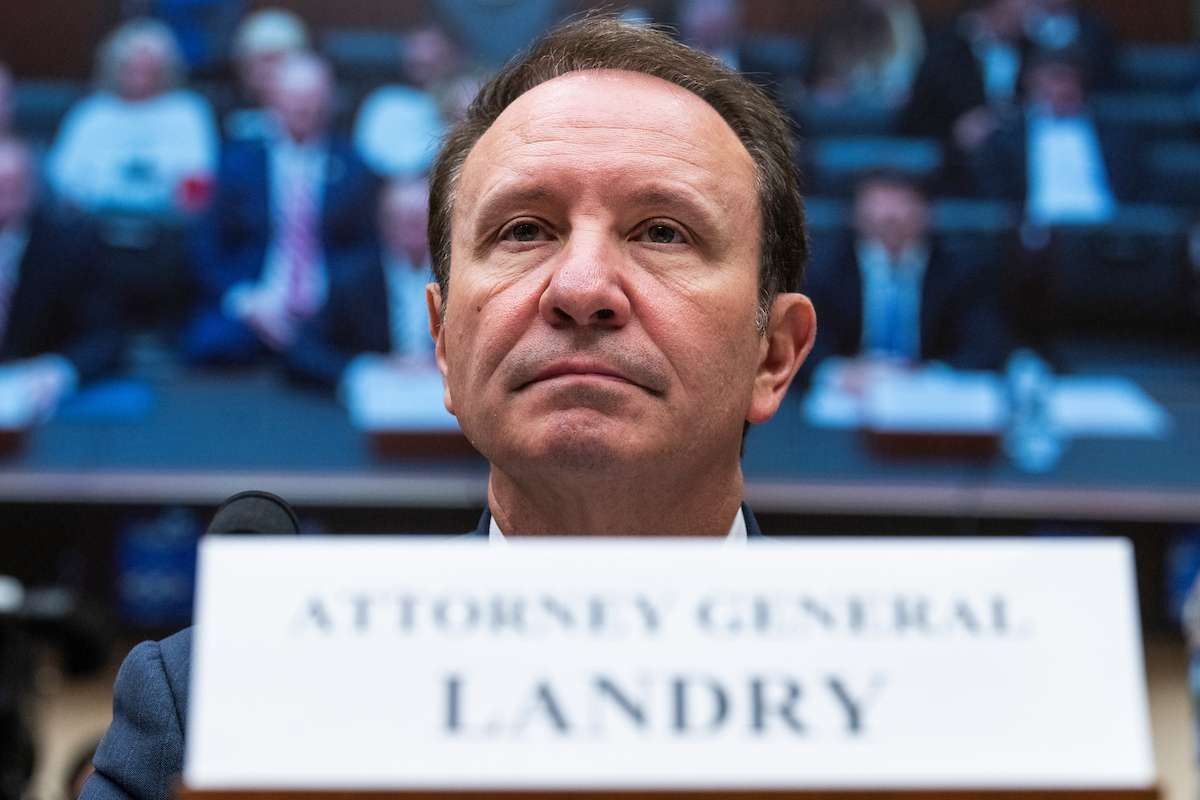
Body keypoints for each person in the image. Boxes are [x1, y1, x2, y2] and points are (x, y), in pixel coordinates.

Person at [81, 15, 816, 799]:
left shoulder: (932, 696)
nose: (580, 289)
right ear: (441, 343)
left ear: (773, 354)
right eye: (525, 229)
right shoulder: (217, 704)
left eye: (662, 232)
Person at [183, 53, 377, 365]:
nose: (302, 106)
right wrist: (246, 301)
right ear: (272, 101)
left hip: (326, 305)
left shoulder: (355, 168)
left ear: (329, 101)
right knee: (206, 346)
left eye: (311, 97)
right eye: (292, 96)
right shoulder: (238, 163)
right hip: (257, 298)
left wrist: (335, 298)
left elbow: (366, 248)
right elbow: (208, 245)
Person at [804, 169, 1011, 374]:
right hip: (851, 392)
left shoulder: (963, 271)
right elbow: (804, 346)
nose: (890, 215)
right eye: (879, 203)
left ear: (926, 213)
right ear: (855, 215)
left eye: (902, 202)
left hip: (932, 389)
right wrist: (841, 371)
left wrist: (926, 372)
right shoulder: (824, 270)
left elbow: (985, 346)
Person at [46, 18, 218, 217]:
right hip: (95, 225)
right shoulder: (92, 112)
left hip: (169, 227)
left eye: (148, 69)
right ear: (114, 67)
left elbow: (201, 175)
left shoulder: (187, 111)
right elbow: (62, 175)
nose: (139, 76)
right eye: (132, 68)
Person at [0, 138, 122, 418]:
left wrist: (59, 371)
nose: (3, 199)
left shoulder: (69, 245)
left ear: (32, 188)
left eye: (12, 187)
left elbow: (107, 337)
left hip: (31, 392)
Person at [285, 178, 436, 391]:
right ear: (384, 223)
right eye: (404, 221)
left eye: (422, 220)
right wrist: (366, 369)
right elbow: (302, 351)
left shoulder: (461, 274)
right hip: (378, 395)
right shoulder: (352, 280)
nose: (415, 231)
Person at [973, 48, 1137, 225]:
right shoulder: (1007, 138)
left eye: (1068, 79)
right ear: (1032, 84)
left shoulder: (1116, 135)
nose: (1062, 88)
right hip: (1033, 233)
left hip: (1108, 231)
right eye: (1053, 79)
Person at [901, 0, 1031, 186]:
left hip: (1015, 150)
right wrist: (955, 132)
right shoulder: (946, 48)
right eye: (1019, 9)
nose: (1026, 17)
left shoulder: (1032, 50)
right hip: (951, 151)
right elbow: (918, 114)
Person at [352, 24, 459, 177]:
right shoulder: (386, 101)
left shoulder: (465, 96)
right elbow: (370, 154)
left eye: (430, 49)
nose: (422, 55)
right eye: (416, 49)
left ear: (451, 57)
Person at [225, 7, 310, 141]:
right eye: (261, 61)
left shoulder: (311, 115)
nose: (268, 71)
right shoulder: (225, 111)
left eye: (276, 60)